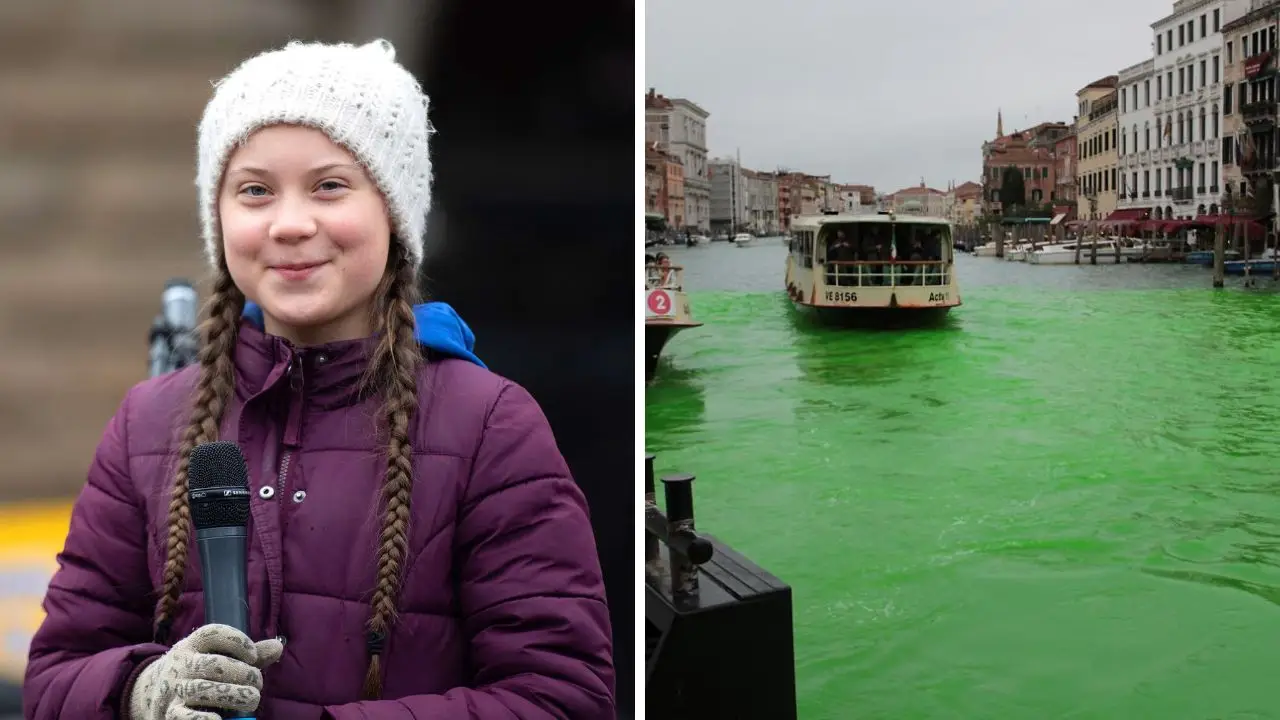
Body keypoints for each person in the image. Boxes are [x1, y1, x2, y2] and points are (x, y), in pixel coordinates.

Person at [22, 39, 615, 720]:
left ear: (392, 210)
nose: (291, 224)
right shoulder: (148, 423)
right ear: (219, 215)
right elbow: (54, 680)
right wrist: (139, 692)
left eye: (330, 186)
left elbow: (563, 698)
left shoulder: (490, 426)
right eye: (254, 191)